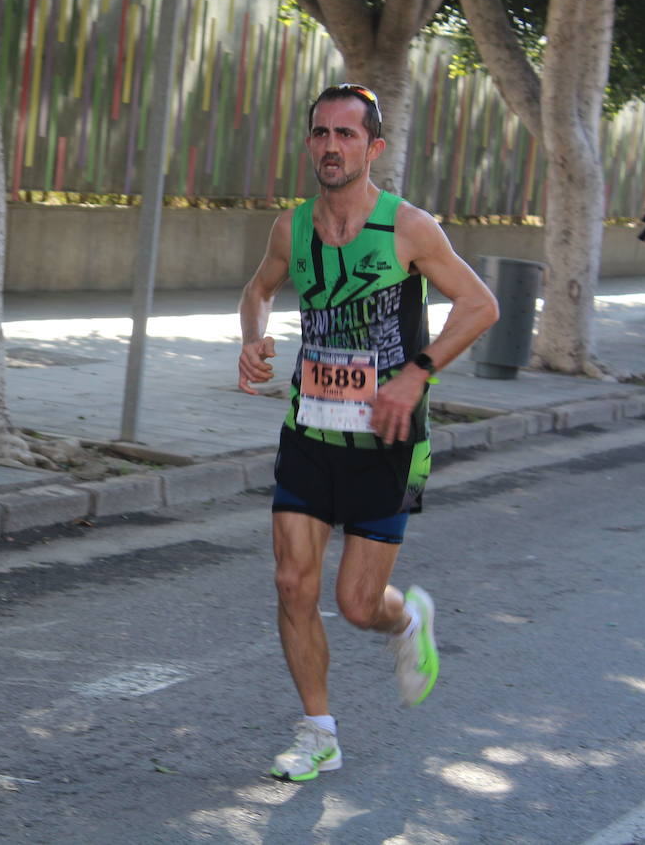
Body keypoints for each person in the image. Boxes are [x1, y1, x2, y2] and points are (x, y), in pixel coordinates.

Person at [237, 84, 498, 782]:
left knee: (356, 604)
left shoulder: (409, 228)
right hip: (310, 429)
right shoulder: (292, 230)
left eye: (346, 135)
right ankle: (317, 732)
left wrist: (417, 373)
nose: (330, 145)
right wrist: (253, 341)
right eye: (320, 133)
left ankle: (407, 621)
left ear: (373, 148)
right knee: (293, 582)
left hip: (389, 437)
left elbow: (480, 305)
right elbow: (259, 289)